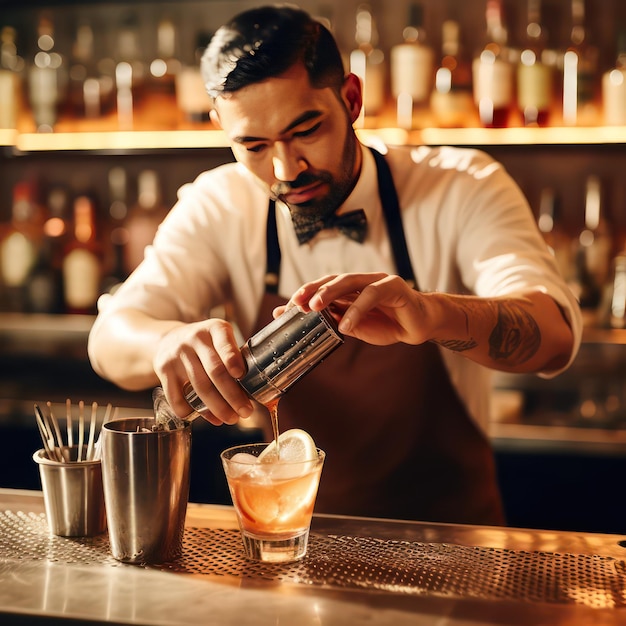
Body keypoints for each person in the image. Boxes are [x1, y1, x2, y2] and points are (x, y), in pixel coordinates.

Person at [88, 5, 581, 526]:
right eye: (253, 145)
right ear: (220, 127)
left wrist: (432, 314)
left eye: (306, 130)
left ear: (351, 98)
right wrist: (164, 343)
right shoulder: (220, 202)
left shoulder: (461, 185)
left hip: (454, 543)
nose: (285, 169)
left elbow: (553, 335)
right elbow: (109, 340)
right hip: (289, 538)